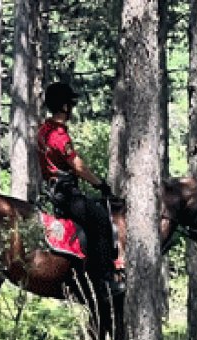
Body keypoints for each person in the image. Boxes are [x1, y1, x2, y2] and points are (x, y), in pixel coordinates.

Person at [37, 82, 122, 293]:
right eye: (71, 104)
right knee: (102, 219)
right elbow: (77, 166)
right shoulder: (58, 136)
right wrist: (99, 183)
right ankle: (104, 279)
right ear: (65, 107)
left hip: (53, 190)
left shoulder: (44, 130)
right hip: (66, 193)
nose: (72, 108)